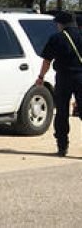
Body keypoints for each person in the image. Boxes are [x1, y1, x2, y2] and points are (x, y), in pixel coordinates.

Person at [36, 11, 82, 157]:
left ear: (61, 24)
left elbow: (47, 61)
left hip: (64, 78)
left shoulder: (57, 38)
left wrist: (41, 77)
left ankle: (62, 146)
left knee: (62, 112)